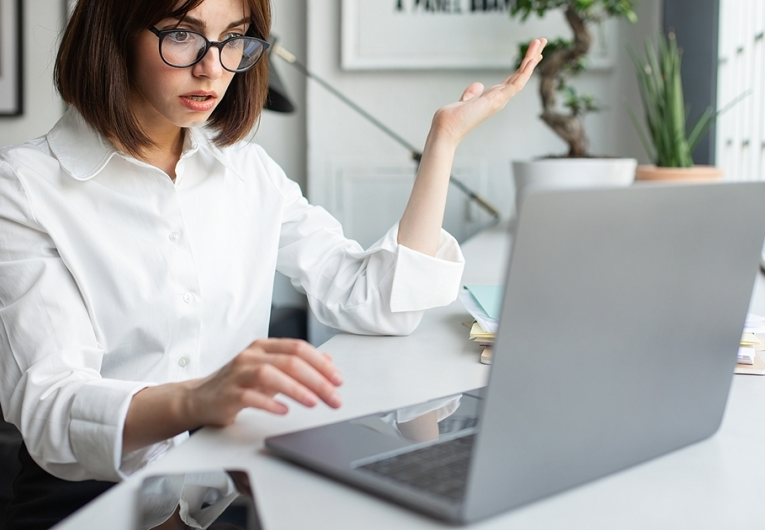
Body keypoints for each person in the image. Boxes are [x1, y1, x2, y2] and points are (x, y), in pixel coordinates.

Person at [0, 0, 545, 527]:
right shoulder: (24, 187)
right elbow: (53, 407)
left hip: (208, 504)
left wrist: (443, 142)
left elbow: (374, 299)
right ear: (113, 33)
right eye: (182, 34)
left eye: (233, 39)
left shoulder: (247, 172)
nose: (213, 68)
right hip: (81, 506)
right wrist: (198, 399)